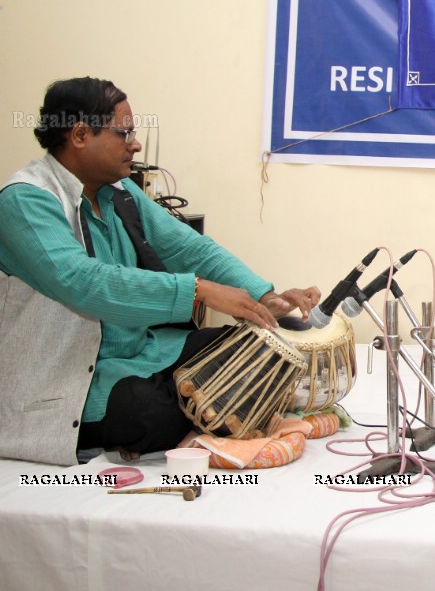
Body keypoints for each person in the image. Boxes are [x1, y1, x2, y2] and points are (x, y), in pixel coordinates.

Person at [0, 77, 321, 466]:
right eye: (125, 133)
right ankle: (186, 413)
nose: (134, 144)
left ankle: (194, 412)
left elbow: (188, 247)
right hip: (79, 381)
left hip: (146, 352)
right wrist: (198, 291)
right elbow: (82, 283)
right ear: (81, 135)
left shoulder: (120, 191)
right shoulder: (25, 200)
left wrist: (264, 295)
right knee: (145, 410)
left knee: (257, 349)